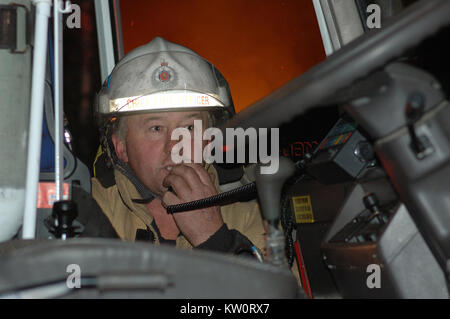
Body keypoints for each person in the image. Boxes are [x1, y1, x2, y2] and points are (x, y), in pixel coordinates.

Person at [91, 37, 266, 257]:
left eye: (189, 128)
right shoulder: (90, 211)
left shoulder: (253, 217)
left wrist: (215, 238)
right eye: (156, 128)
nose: (175, 147)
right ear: (121, 147)